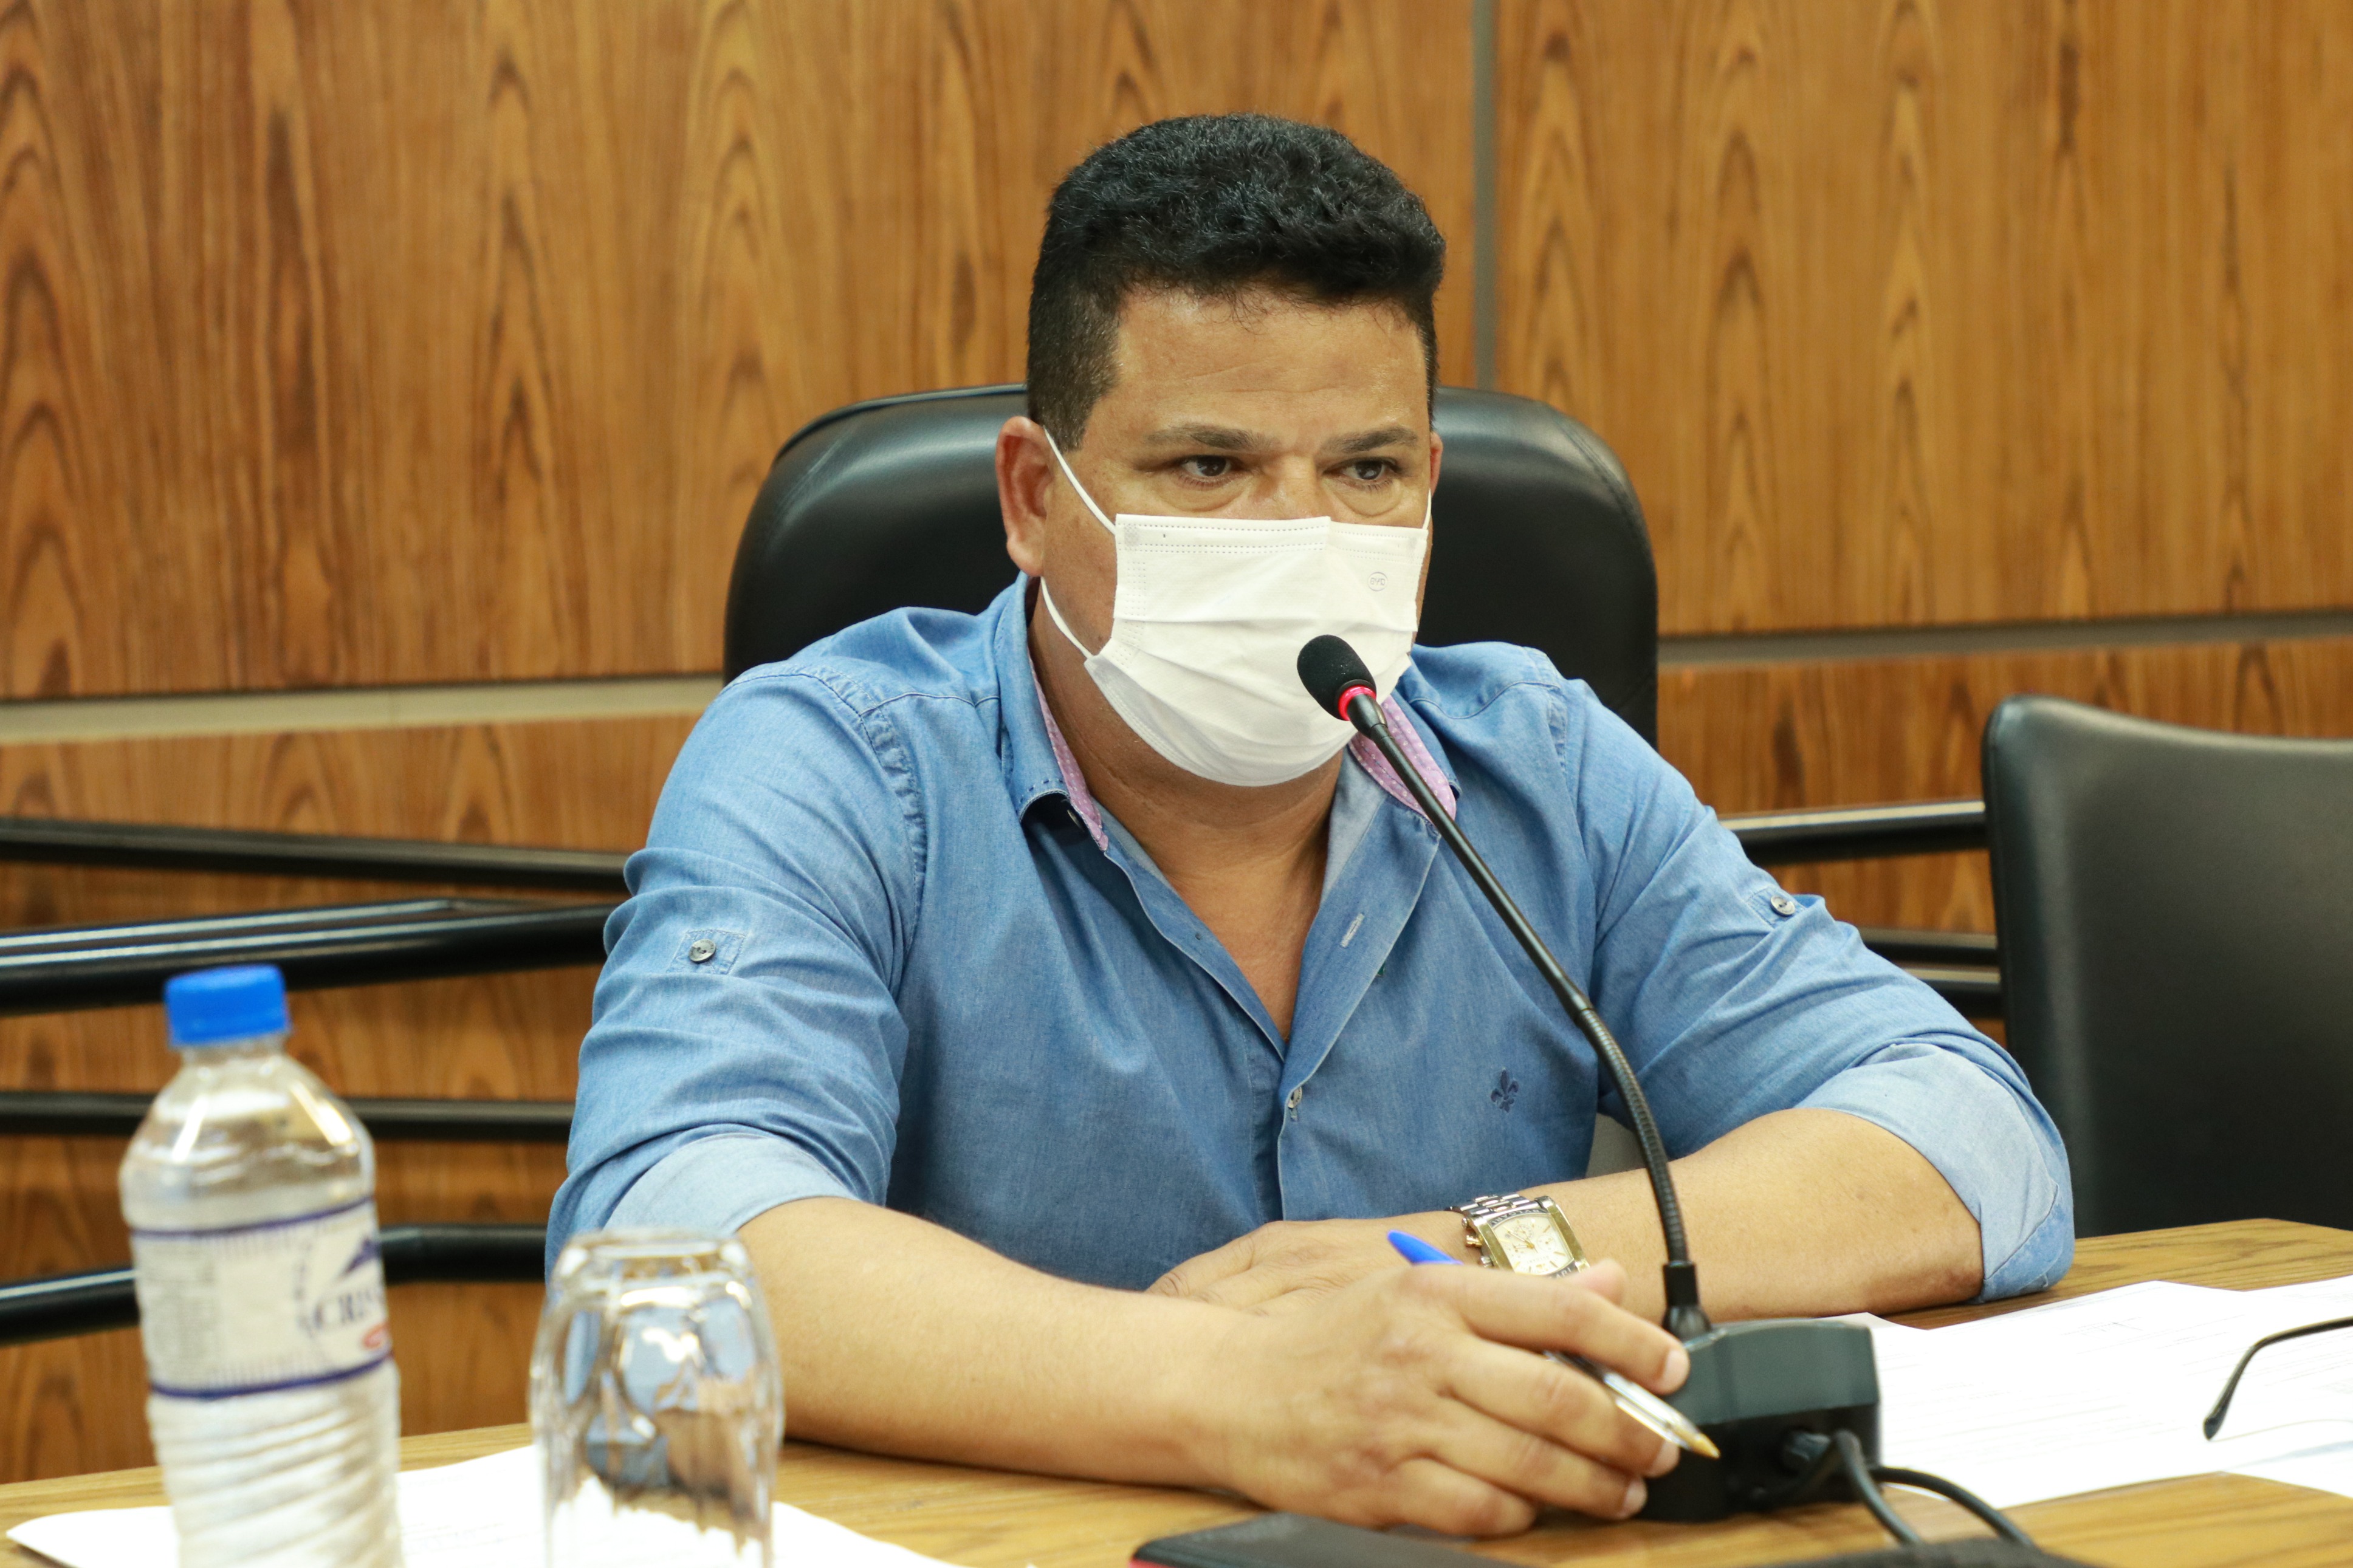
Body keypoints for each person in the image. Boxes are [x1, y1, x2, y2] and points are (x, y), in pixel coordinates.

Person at [550, 114, 2071, 1535]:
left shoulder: (1535, 761)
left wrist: (1465, 1256)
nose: (1299, 537)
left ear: (1431, 487)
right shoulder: (839, 763)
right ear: (1032, 496)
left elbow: (1970, 1136)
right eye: (1209, 467)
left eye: (1366, 470)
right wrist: (1241, 1390)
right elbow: (661, 1247)